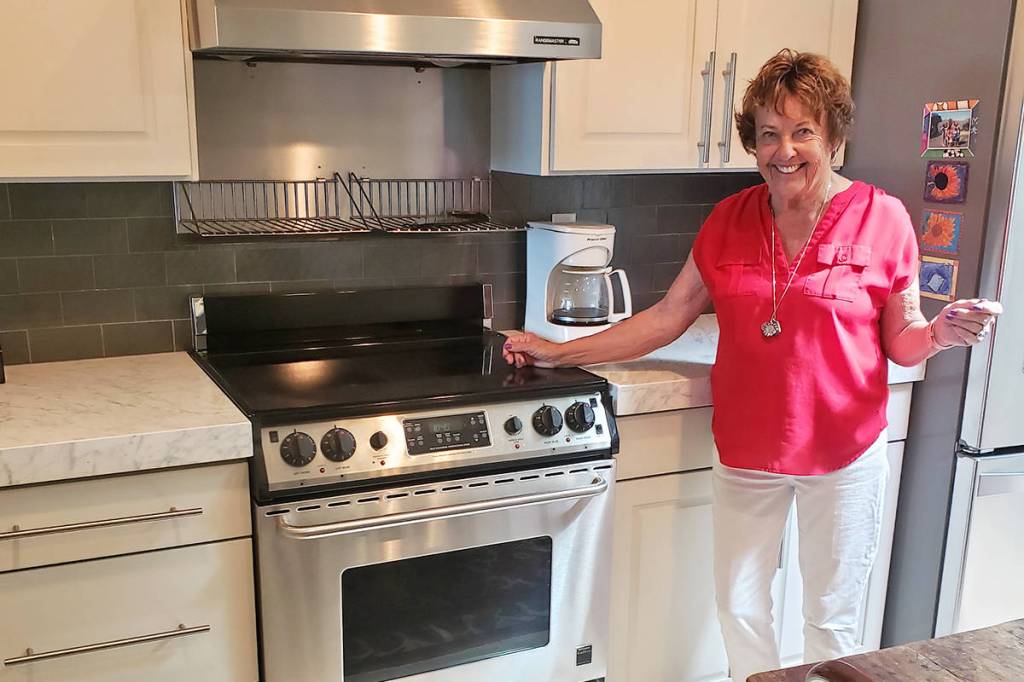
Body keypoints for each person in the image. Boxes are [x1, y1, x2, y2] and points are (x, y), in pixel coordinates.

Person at [502, 49, 1002, 681]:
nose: (783, 151)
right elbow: (667, 317)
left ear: (834, 138)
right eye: (769, 133)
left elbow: (902, 340)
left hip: (844, 451)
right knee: (740, 607)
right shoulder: (728, 219)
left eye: (802, 131)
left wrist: (941, 334)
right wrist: (557, 351)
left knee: (832, 620)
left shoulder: (884, 219)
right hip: (747, 449)